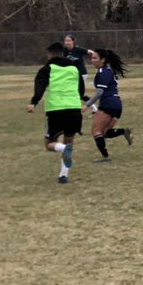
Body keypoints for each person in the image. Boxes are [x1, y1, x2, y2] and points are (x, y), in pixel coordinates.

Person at [29, 41, 85, 184]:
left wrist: (33, 102)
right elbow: (81, 89)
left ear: (49, 54)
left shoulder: (47, 68)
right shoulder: (74, 68)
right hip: (74, 110)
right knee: (69, 141)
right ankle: (63, 175)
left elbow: (39, 88)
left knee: (49, 144)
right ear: (63, 53)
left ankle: (62, 149)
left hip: (56, 110)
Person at [84, 47, 133, 161]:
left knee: (96, 131)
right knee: (104, 132)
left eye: (95, 58)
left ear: (103, 60)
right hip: (117, 105)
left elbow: (100, 92)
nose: (92, 60)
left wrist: (87, 105)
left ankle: (105, 157)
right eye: (92, 57)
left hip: (108, 104)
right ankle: (123, 131)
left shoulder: (103, 72)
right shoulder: (108, 70)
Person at [64, 32, 93, 109]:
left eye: (69, 40)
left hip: (82, 74)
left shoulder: (78, 49)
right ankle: (94, 108)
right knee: (77, 93)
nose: (67, 42)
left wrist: (96, 57)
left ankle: (74, 107)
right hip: (72, 75)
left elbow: (89, 51)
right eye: (65, 40)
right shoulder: (64, 51)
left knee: (76, 92)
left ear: (73, 41)